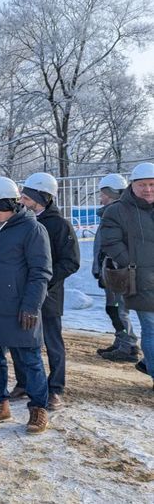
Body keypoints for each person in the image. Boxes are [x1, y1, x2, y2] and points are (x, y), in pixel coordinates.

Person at [0, 176, 53, 435]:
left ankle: (39, 408)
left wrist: (31, 305)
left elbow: (41, 272)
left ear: (2, 202)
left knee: (30, 360)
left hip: (20, 309)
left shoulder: (31, 229)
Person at [11, 172, 80, 410]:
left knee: (52, 342)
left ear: (42, 197)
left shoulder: (60, 225)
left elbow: (71, 262)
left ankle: (55, 389)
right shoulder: (20, 221)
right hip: (21, 294)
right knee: (20, 340)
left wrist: (43, 281)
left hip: (49, 295)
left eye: (27, 197)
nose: (22, 200)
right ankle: (24, 383)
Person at [99, 162, 154, 392]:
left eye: (152, 184)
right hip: (141, 280)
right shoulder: (117, 210)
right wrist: (132, 263)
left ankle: (148, 363)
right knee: (151, 328)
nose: (148, 189)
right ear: (133, 185)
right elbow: (110, 242)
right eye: (142, 185)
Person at [93, 174, 140, 362]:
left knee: (118, 309)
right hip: (112, 268)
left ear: (111, 194)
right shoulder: (117, 211)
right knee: (114, 308)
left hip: (117, 270)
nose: (100, 198)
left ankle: (128, 346)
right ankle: (122, 341)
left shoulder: (117, 212)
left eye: (103, 194)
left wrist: (112, 264)